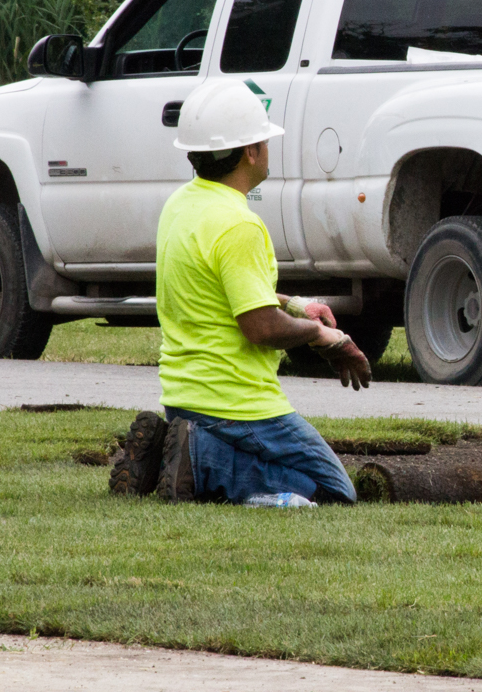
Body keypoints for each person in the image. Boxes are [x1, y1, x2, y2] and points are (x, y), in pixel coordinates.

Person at [111, 80, 371, 505]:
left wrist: (298, 306)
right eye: (264, 139)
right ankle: (200, 457)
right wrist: (323, 337)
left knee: (295, 478)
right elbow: (260, 326)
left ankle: (170, 452)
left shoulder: (181, 205)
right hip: (236, 404)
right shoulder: (239, 225)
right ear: (250, 151)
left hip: (184, 400)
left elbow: (224, 286)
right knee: (333, 491)